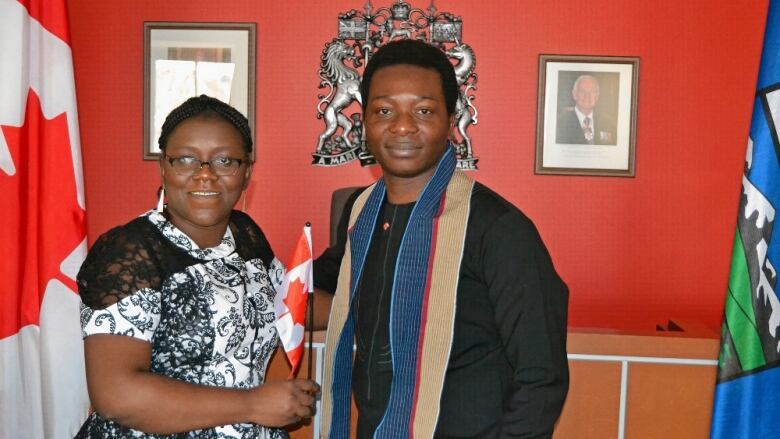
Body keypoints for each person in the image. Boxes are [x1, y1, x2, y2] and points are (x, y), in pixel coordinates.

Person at [314, 40, 569, 438]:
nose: (402, 125)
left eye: (423, 110)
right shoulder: (361, 214)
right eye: (384, 110)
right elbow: (314, 289)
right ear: (363, 121)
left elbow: (542, 376)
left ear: (452, 119)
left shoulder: (498, 229)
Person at [76, 95, 319, 438]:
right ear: (164, 167)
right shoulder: (129, 251)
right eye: (187, 159)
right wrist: (251, 405)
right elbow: (117, 396)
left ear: (246, 171)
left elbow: (289, 300)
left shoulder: (245, 234)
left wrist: (371, 303)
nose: (205, 175)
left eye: (224, 160)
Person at [556, 74, 616, 145]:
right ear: (574, 94)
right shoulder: (560, 123)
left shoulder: (608, 123)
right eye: (582, 91)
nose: (587, 96)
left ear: (597, 96)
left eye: (592, 91)